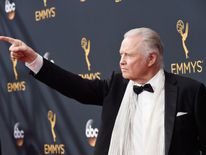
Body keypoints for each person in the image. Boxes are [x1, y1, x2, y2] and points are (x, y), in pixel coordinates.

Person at [0, 27, 206, 155]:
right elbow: (75, 86)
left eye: (129, 55)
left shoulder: (191, 92)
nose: (122, 61)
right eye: (121, 54)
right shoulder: (116, 86)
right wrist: (33, 59)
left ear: (151, 58)